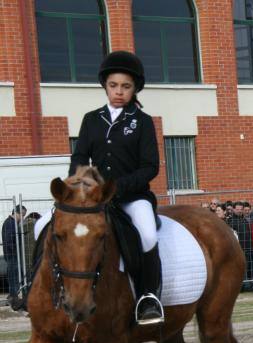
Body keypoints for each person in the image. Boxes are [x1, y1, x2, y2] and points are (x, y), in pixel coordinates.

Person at [36, 51, 163, 323]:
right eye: (114, 85)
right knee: (43, 226)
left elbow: (150, 167)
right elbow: (80, 157)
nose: (119, 92)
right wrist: (77, 188)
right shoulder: (91, 119)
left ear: (134, 89)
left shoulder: (142, 122)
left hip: (131, 197)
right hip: (91, 199)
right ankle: (33, 290)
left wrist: (116, 188)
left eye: (126, 87)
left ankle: (148, 297)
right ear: (106, 86)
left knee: (148, 235)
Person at [2, 205, 24, 307]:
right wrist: (15, 251)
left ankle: (13, 296)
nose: (23, 217)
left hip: (11, 254)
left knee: (13, 275)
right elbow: (9, 240)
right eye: (22, 215)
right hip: (13, 255)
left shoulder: (10, 223)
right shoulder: (10, 223)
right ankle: (13, 297)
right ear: (16, 213)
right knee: (14, 275)